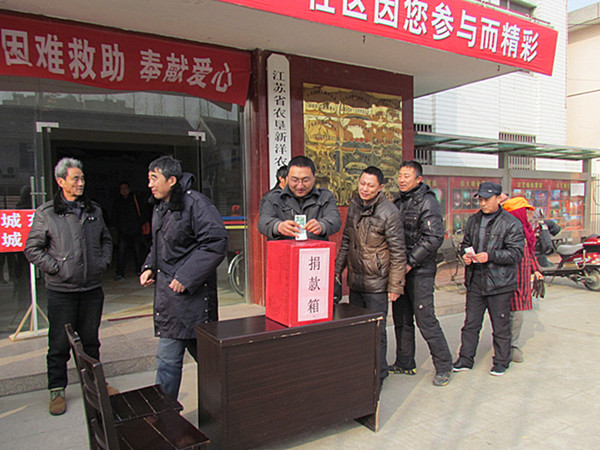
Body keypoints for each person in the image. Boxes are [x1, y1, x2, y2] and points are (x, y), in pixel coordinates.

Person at [25, 157, 113, 416]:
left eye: (82, 178)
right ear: (60, 181)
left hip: (91, 288)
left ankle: (95, 384)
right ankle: (57, 389)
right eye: (75, 178)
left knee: (91, 341)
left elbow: (106, 240)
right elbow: (32, 249)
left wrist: (102, 262)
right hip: (62, 291)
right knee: (59, 344)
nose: (80, 183)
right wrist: (58, 268)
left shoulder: (94, 211)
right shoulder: (47, 213)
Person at [139, 156, 228, 400]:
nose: (150, 184)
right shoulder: (161, 206)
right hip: (170, 300)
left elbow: (216, 242)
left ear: (172, 180)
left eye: (154, 178)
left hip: (192, 299)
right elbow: (160, 245)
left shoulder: (196, 204)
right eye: (149, 179)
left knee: (180, 360)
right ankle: (168, 411)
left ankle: (168, 412)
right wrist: (150, 266)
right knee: (198, 360)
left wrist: (186, 277)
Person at [334, 166, 407, 385]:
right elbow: (347, 241)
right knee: (357, 329)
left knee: (376, 331)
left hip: (377, 283)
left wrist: (395, 286)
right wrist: (336, 271)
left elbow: (398, 252)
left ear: (380, 187)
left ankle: (378, 375)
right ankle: (361, 370)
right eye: (362, 183)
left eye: (370, 185)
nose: (365, 189)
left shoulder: (389, 212)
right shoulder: (355, 205)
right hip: (356, 281)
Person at [390, 160, 454, 387]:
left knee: (425, 319)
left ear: (418, 179)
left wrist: (410, 261)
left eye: (406, 176)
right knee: (401, 318)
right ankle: (405, 362)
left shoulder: (427, 201)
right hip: (400, 268)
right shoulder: (398, 201)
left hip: (421, 270)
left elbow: (434, 237)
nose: (401, 179)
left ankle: (444, 366)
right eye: (400, 175)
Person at [453, 182, 524, 376]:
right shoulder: (474, 220)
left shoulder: (511, 223)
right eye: (481, 199)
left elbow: (516, 253)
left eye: (487, 199)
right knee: (471, 324)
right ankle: (465, 359)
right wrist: (466, 255)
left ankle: (501, 361)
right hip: (476, 280)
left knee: (500, 325)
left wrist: (490, 256)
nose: (483, 203)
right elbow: (466, 243)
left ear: (498, 198)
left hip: (499, 282)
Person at [258, 155, 341, 241]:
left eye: (305, 180)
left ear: (314, 177)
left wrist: (322, 226)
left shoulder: (325, 197)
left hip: (315, 248)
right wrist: (278, 226)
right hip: (284, 248)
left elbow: (335, 220)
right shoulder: (274, 198)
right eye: (295, 180)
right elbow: (263, 222)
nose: (300, 186)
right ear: (287, 178)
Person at [502, 197, 544, 363]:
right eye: (525, 211)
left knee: (517, 313)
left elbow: (529, 252)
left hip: (522, 278)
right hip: (507, 277)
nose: (529, 214)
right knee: (505, 313)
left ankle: (513, 346)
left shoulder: (525, 229)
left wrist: (536, 270)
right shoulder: (505, 229)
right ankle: (505, 345)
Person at [112, 181, 146, 280]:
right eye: (121, 189)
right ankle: (120, 273)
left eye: (125, 188)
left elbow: (143, 213)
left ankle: (139, 270)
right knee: (121, 253)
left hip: (136, 230)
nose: (124, 190)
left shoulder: (136, 200)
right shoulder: (118, 202)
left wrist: (139, 224)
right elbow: (115, 216)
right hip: (123, 231)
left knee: (138, 252)